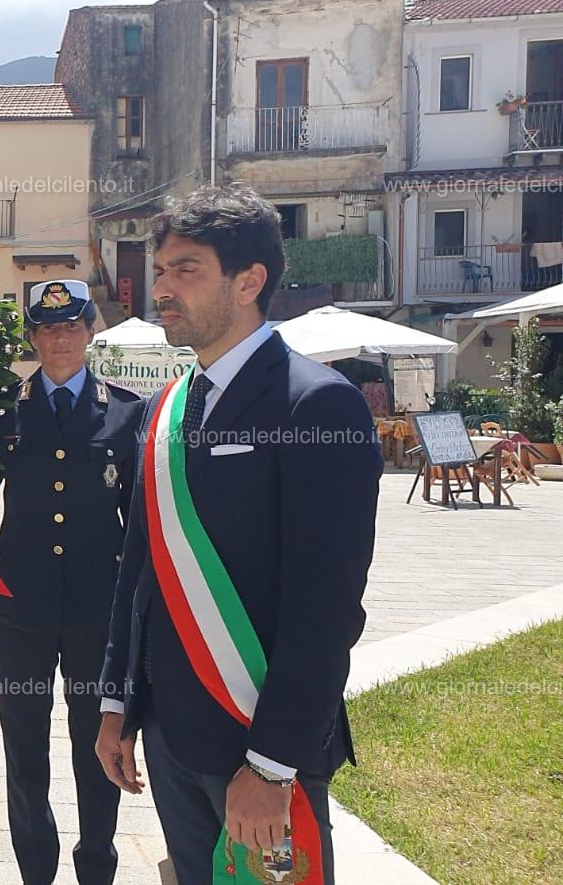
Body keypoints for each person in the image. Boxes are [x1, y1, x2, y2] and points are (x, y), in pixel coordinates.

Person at [95, 184, 382, 883]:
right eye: (160, 271)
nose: (162, 289)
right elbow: (140, 570)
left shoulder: (317, 403)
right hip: (171, 738)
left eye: (186, 270)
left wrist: (272, 764)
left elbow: (327, 607)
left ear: (250, 280)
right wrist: (115, 705)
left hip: (259, 745)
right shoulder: (166, 409)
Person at [0, 279, 145, 884]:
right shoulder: (5, 410)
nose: (59, 338)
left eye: (71, 326)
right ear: (32, 337)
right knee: (24, 747)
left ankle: (97, 864)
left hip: (96, 615)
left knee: (98, 743)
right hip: (17, 608)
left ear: (91, 332)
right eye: (47, 328)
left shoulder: (128, 412)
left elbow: (139, 525)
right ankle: (35, 869)